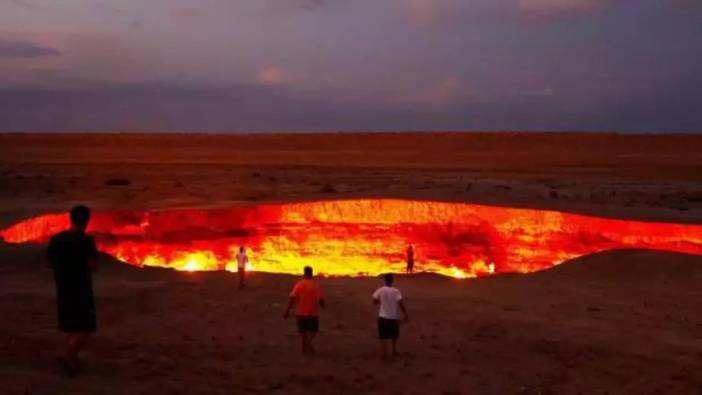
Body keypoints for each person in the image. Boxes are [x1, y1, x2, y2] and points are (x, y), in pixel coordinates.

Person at [47, 205, 99, 377]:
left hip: (63, 287)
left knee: (71, 326)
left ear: (71, 219)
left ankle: (73, 360)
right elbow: (93, 265)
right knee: (85, 328)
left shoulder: (56, 239)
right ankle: (67, 357)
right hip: (81, 289)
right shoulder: (86, 241)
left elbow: (49, 263)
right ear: (86, 221)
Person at [283, 266, 325, 355]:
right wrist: (323, 306)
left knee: (303, 332)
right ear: (311, 274)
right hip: (312, 313)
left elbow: (292, 298)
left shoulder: (299, 284)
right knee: (313, 331)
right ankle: (308, 345)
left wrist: (287, 310)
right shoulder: (315, 285)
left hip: (300, 312)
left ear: (304, 274)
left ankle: (304, 348)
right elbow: (320, 299)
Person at [372, 273, 408, 360]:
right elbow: (400, 303)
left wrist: (381, 301)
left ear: (385, 280)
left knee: (383, 336)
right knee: (394, 335)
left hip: (383, 316)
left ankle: (384, 354)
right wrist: (405, 313)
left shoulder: (380, 290)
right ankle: (394, 351)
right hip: (392, 317)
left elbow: (374, 301)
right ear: (392, 280)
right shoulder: (396, 291)